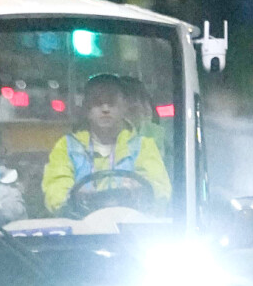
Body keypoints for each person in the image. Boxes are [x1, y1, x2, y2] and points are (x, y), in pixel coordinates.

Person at [41, 73, 172, 218]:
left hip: (130, 231)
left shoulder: (143, 146)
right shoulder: (67, 146)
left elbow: (159, 189)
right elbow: (55, 190)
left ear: (124, 107)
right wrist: (72, 197)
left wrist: (140, 191)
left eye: (112, 102)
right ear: (86, 109)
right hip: (80, 231)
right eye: (97, 102)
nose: (105, 108)